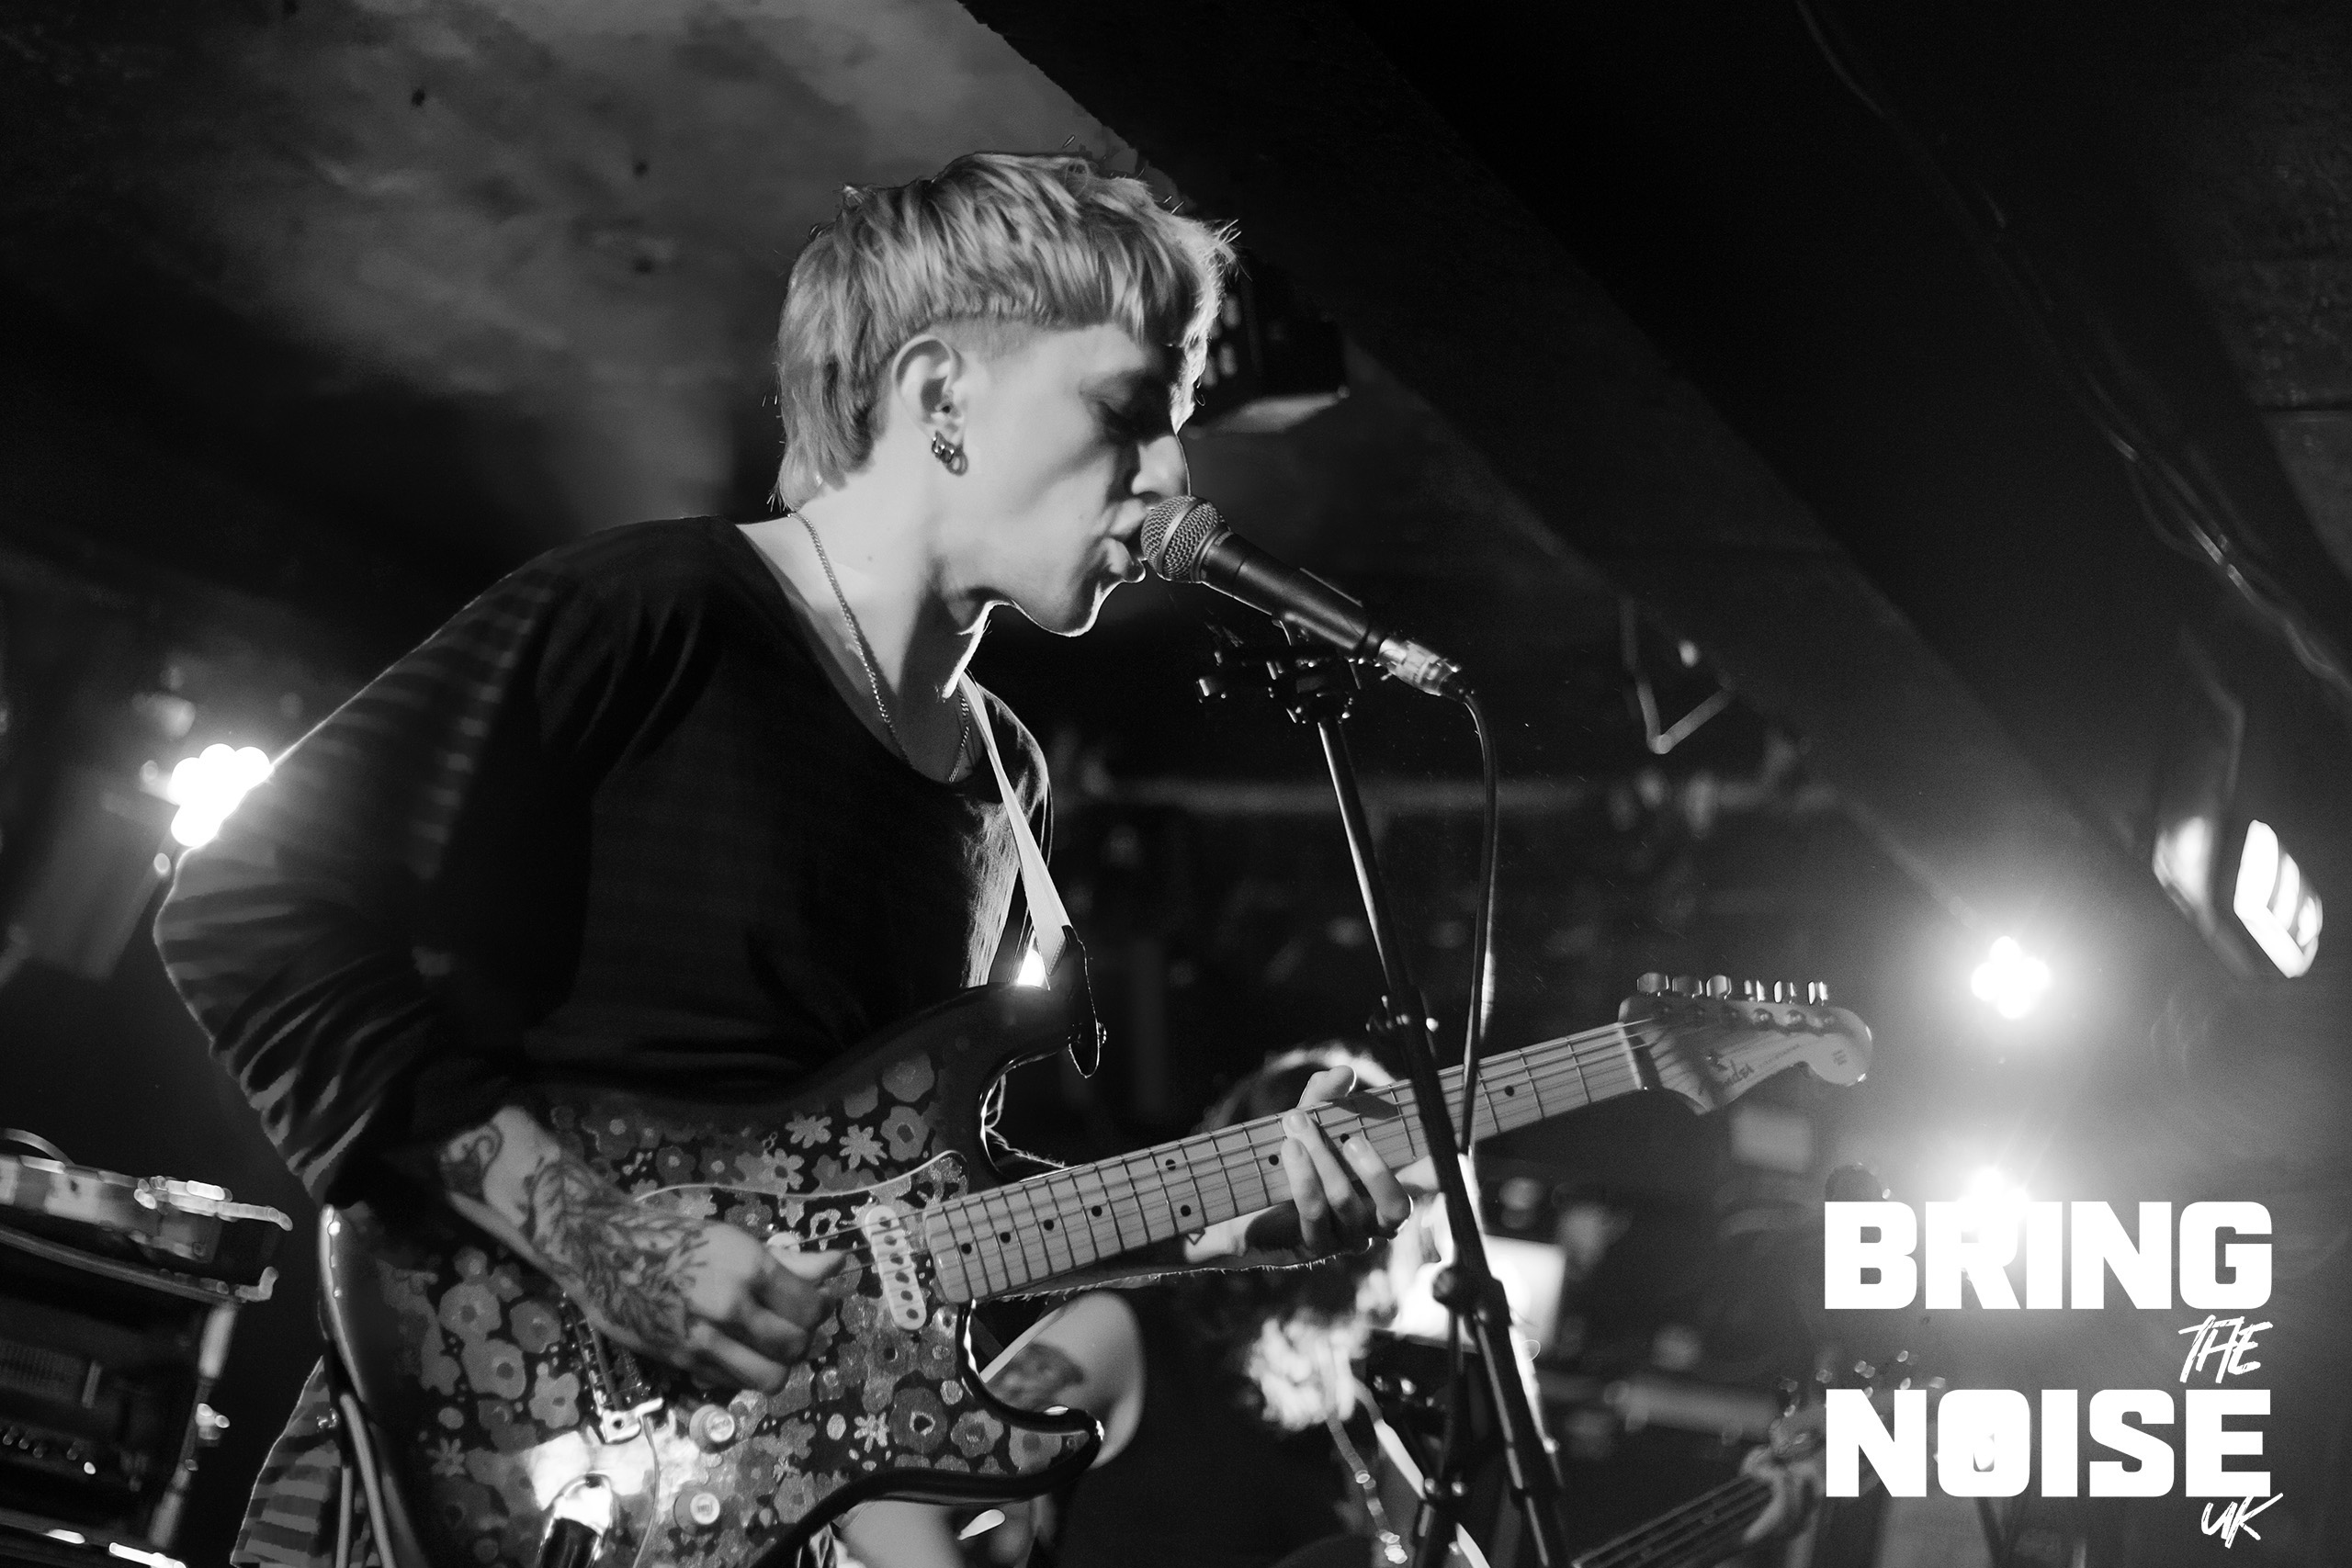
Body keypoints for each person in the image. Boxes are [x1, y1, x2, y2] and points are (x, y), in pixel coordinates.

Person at [155, 152, 1411, 1568]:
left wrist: (1209, 1228)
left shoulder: (1009, 778)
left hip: (748, 1519)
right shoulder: (659, 611)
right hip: (474, 1471)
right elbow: (246, 909)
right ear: (941, 396)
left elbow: (909, 1213)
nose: (1176, 475)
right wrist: (603, 1236)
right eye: (1131, 410)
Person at [842, 1049, 1826, 1568]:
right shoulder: (1136, 1336)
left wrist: (1729, 1523)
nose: (1421, 1227)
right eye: (1407, 1193)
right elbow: (889, 1496)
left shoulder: (1371, 1435)